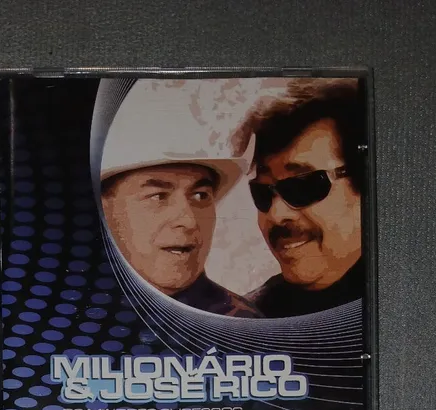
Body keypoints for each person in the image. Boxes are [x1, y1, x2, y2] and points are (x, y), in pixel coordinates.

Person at [100, 89, 258, 315]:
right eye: (158, 196)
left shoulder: (238, 324)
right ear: (105, 211)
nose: (189, 220)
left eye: (200, 195)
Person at [242, 79, 365, 317]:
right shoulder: (249, 322)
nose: (276, 215)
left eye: (302, 186)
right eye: (262, 192)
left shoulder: (414, 301)